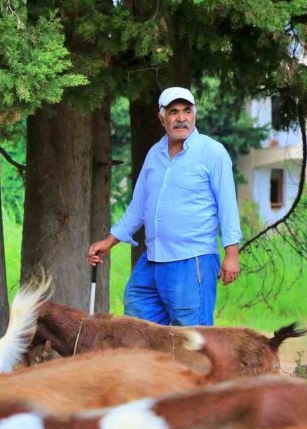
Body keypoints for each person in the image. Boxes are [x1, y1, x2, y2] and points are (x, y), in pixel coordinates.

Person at [87, 86, 242, 326]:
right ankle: (156, 366)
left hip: (192, 260)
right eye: (173, 112)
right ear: (162, 118)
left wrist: (232, 253)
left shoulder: (212, 152)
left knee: (191, 338)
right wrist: (109, 241)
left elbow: (228, 206)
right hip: (153, 258)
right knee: (138, 319)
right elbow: (138, 208)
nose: (181, 118)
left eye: (187, 111)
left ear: (194, 114)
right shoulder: (154, 154)